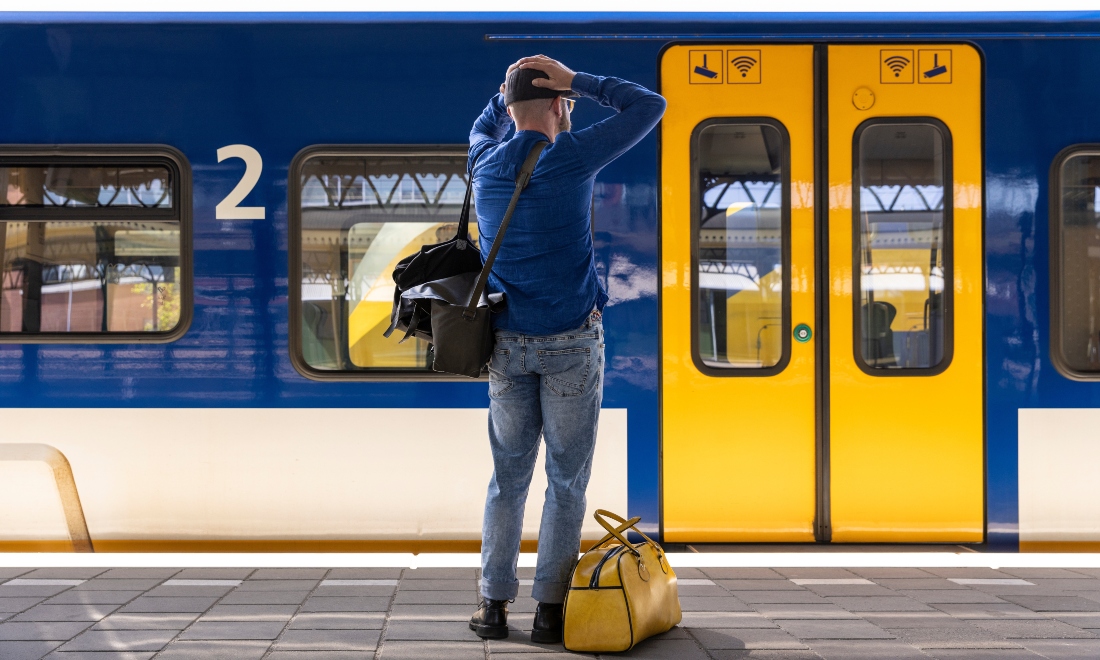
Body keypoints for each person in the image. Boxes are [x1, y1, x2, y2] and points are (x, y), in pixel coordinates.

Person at [466, 55, 665, 643]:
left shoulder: (482, 160)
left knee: (508, 480)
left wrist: (509, 85)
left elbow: (488, 120)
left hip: (505, 346)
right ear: (559, 106)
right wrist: (578, 80)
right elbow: (648, 106)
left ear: (508, 107)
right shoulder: (571, 157)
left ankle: (491, 607)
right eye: (566, 102)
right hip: (573, 345)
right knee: (567, 481)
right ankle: (550, 609)